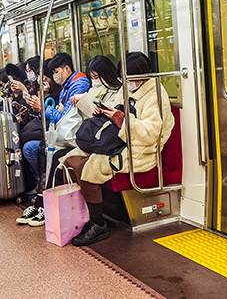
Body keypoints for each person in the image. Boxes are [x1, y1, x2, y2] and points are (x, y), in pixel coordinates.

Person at [63, 52, 175, 246]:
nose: (125, 81)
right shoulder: (132, 89)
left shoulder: (155, 95)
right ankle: (85, 216)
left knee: (92, 166)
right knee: (71, 160)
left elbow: (152, 132)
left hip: (142, 150)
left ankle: (98, 224)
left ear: (139, 75)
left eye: (128, 77)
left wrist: (122, 120)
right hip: (122, 140)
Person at [17, 54, 90, 227]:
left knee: (49, 153)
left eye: (56, 72)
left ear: (67, 69)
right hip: (63, 133)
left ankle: (43, 201)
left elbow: (67, 118)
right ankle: (42, 198)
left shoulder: (79, 84)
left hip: (75, 136)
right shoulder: (66, 85)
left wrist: (43, 108)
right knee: (38, 148)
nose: (55, 76)